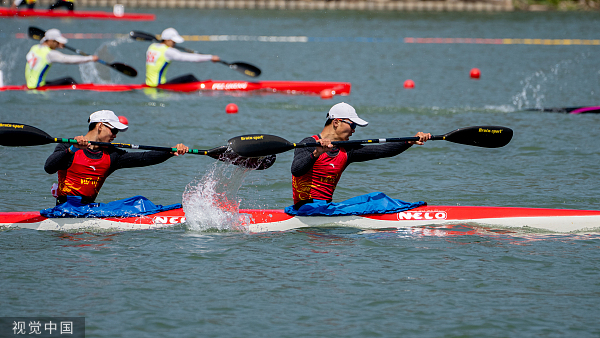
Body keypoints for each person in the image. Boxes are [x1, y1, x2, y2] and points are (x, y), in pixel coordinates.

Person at [290, 102, 431, 210]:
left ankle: (412, 209)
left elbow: (383, 150)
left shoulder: (347, 151)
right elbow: (296, 170)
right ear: (336, 122)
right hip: (305, 208)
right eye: (352, 126)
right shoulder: (309, 143)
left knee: (376, 198)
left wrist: (409, 141)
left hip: (325, 208)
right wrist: (317, 153)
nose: (353, 131)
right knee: (377, 205)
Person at [44, 110, 189, 205]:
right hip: (65, 208)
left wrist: (170, 151)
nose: (115, 135)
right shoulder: (68, 146)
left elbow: (143, 158)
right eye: (113, 130)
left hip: (89, 209)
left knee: (139, 202)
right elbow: (49, 167)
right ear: (100, 126)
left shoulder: (112, 155)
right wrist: (73, 149)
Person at [145, 28, 220, 87]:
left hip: (149, 84)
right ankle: (205, 88)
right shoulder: (168, 51)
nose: (175, 43)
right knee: (190, 77)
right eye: (173, 42)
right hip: (159, 85)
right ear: (167, 40)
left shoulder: (152, 47)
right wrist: (210, 57)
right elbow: (191, 58)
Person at [25, 29, 98, 89]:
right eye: (57, 42)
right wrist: (90, 58)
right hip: (37, 87)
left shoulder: (34, 48)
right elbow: (70, 60)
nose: (57, 45)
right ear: (51, 41)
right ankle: (82, 93)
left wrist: (58, 45)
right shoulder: (50, 54)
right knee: (69, 80)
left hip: (30, 85)